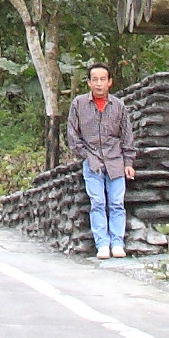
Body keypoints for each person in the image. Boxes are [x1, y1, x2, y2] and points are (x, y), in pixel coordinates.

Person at [66, 62, 133, 258]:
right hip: (92, 161)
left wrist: (128, 163)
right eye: (94, 79)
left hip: (115, 161)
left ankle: (117, 243)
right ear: (88, 83)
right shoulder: (79, 104)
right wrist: (86, 155)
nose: (99, 84)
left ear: (110, 82)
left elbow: (127, 136)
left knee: (117, 203)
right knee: (97, 202)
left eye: (103, 79)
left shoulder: (118, 106)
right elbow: (72, 135)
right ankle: (102, 244)